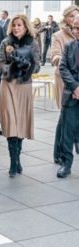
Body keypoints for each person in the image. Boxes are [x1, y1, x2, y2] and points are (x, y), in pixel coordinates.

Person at [0, 14, 40, 177]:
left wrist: (26, 66)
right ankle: (13, 163)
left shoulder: (33, 43)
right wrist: (11, 67)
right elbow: (1, 63)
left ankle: (17, 159)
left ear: (25, 26)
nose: (16, 28)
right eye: (14, 25)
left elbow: (37, 65)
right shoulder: (5, 42)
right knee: (10, 122)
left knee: (21, 123)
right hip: (8, 84)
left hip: (24, 85)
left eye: (19, 25)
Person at [51, 6, 79, 163]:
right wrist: (67, 61)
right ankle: (59, 154)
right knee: (64, 119)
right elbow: (55, 56)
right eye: (72, 16)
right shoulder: (58, 35)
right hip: (65, 81)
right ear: (67, 18)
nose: (75, 18)